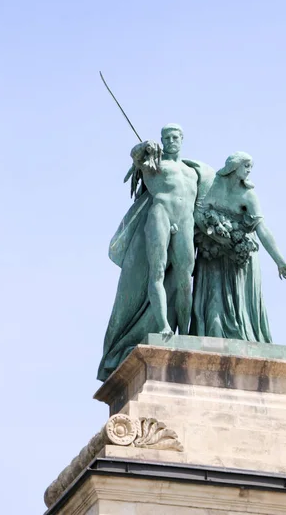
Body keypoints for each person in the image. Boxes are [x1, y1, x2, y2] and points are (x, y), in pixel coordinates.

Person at [97, 124, 214, 382]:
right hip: (160, 215)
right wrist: (145, 147)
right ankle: (163, 326)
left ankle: (184, 331)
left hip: (185, 222)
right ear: (163, 140)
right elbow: (135, 156)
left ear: (182, 140)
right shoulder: (154, 164)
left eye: (176, 137)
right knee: (158, 273)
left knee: (185, 278)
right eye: (167, 138)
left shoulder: (192, 171)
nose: (172, 141)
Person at [191, 151, 286, 342]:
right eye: (246, 166)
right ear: (234, 167)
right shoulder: (211, 185)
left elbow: (262, 229)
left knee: (240, 311)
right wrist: (215, 234)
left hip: (239, 257)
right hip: (212, 254)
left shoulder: (248, 195)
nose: (249, 170)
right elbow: (197, 213)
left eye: (250, 167)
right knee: (214, 308)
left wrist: (279, 260)